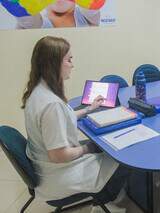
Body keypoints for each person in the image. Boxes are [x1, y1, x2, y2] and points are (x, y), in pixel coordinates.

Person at [22, 36, 129, 213]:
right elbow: (59, 155)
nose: (73, 64)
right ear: (54, 63)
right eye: (69, 60)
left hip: (46, 166)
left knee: (101, 147)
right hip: (59, 174)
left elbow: (61, 118)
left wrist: (88, 109)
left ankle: (108, 190)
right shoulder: (51, 105)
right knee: (122, 157)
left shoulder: (38, 91)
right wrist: (88, 149)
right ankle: (103, 202)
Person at [2, 0, 102, 29]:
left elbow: (92, 13)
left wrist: (93, 5)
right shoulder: (37, 21)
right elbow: (28, 22)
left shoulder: (83, 15)